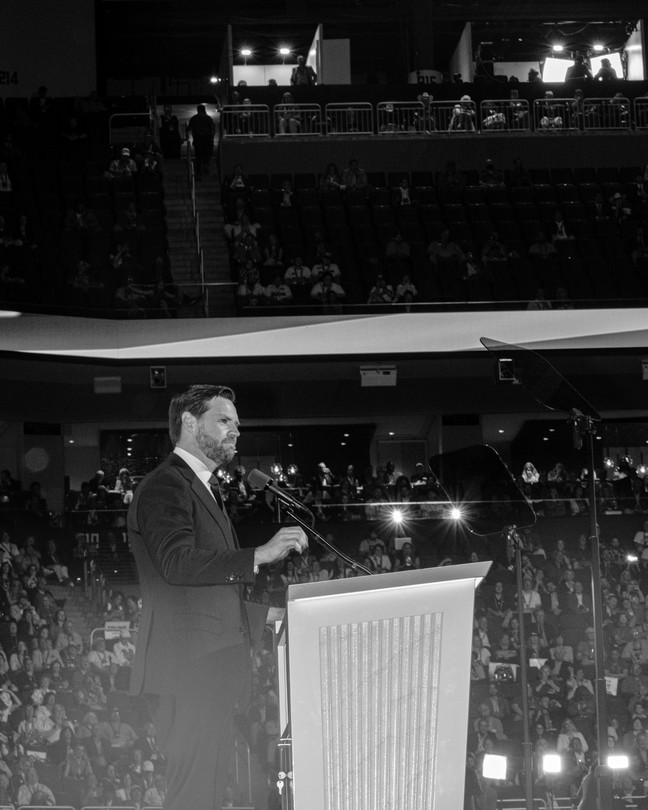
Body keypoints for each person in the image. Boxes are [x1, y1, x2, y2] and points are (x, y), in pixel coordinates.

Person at [128, 384, 308, 810]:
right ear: (190, 423)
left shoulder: (203, 488)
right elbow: (176, 564)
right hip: (190, 668)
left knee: (206, 796)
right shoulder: (166, 485)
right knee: (193, 797)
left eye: (237, 424)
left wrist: (267, 615)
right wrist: (259, 555)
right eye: (224, 421)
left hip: (208, 667)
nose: (236, 432)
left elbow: (200, 597)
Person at [187, 105, 215, 180]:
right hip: (207, 139)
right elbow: (212, 129)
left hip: (198, 139)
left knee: (198, 157)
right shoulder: (208, 118)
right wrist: (212, 139)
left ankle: (198, 173)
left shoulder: (194, 118)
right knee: (206, 155)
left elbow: (189, 128)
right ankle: (206, 164)